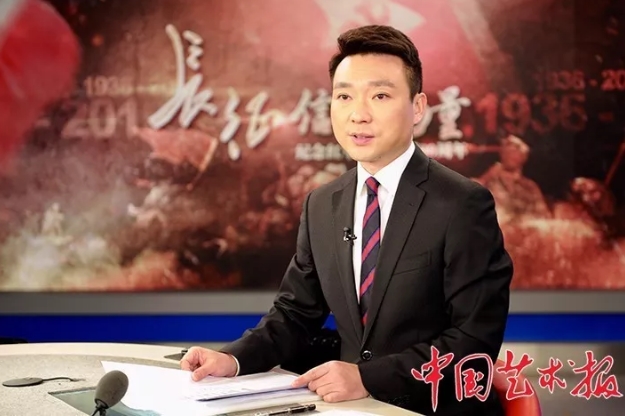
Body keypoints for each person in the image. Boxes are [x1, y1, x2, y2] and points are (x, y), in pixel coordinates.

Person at [181, 25, 513, 416]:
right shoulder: (322, 204)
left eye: (380, 95)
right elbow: (294, 314)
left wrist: (367, 377)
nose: (358, 114)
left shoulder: (462, 204)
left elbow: (474, 341)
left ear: (418, 107)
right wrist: (234, 360)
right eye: (344, 96)